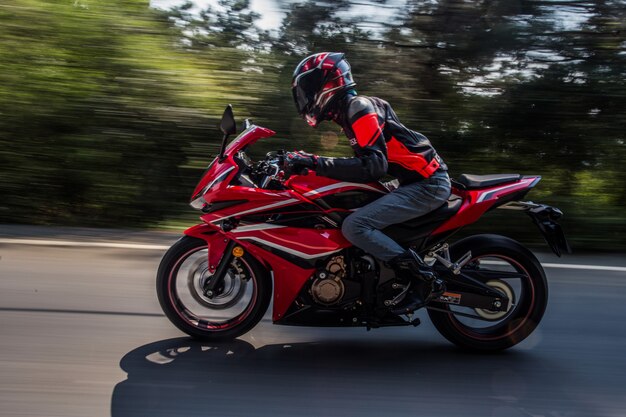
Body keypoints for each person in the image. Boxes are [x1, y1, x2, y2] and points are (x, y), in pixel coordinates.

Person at [287, 52, 451, 314]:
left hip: (428, 184)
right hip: (412, 182)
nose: (305, 97)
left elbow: (373, 167)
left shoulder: (359, 108)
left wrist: (314, 161)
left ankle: (422, 280)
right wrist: (309, 165)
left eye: (308, 88)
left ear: (327, 83)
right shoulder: (353, 112)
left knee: (356, 226)